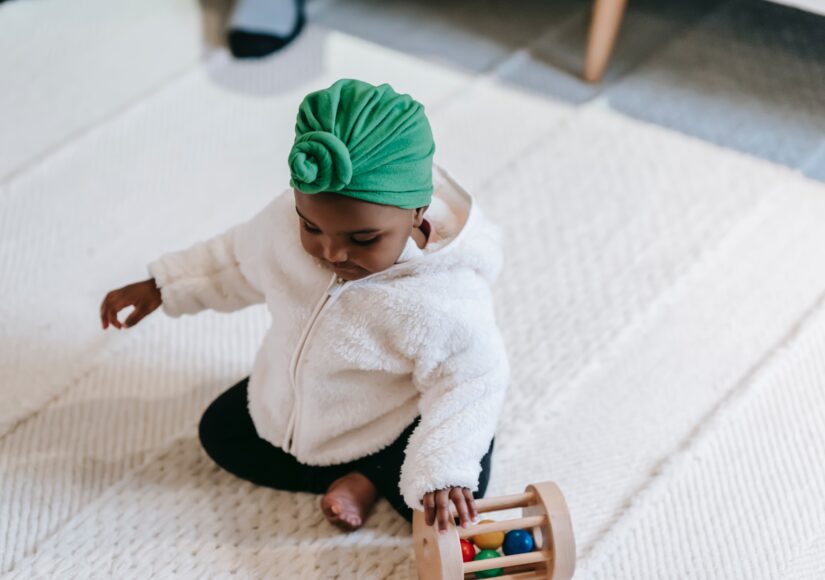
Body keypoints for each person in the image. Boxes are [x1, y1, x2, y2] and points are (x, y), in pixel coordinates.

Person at [99, 78, 510, 532]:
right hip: (309, 413)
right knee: (220, 435)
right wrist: (164, 285)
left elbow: (472, 379)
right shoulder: (284, 226)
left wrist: (444, 468)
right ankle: (354, 474)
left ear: (417, 211)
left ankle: (373, 476)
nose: (332, 253)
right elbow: (237, 260)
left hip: (395, 421)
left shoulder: (443, 298)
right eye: (311, 226)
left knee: (442, 500)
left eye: (363, 239)